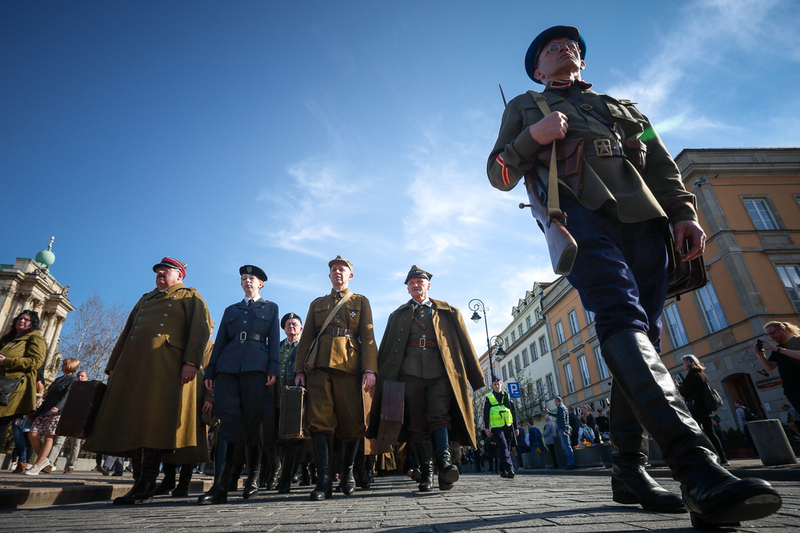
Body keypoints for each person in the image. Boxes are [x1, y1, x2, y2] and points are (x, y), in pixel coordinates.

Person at [487, 25, 780, 527]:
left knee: (644, 336)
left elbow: (660, 159)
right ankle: (698, 468)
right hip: (578, 216)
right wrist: (531, 139)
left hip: (646, 223)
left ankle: (628, 468)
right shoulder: (525, 106)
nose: (566, 50)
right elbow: (499, 173)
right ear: (538, 69)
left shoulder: (627, 109)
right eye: (552, 48)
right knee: (620, 315)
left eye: (572, 46)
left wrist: (685, 211)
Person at [83, 257, 211, 505]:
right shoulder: (145, 298)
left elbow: (200, 331)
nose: (160, 273)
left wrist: (191, 362)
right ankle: (139, 482)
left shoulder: (190, 296)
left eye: (166, 270)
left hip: (165, 368)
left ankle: (146, 483)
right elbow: (127, 331)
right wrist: (113, 365)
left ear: (180, 275)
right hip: (133, 367)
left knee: (151, 423)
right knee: (134, 422)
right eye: (158, 271)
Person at [371, 265, 484, 491]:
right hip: (408, 373)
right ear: (407, 289)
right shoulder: (398, 314)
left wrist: (475, 377)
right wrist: (378, 376)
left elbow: (465, 344)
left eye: (419, 282)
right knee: (416, 421)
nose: (415, 285)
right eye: (411, 283)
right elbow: (386, 348)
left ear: (428, 286)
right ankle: (428, 472)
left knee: (439, 416)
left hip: (441, 372)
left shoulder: (448, 311)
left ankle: (444, 464)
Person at [294, 256, 377, 500]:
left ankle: (349, 472)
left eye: (342, 270)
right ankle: (324, 480)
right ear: (329, 275)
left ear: (350, 275)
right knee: (319, 423)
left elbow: (368, 338)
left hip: (349, 368)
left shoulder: (361, 301)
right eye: (334, 270)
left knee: (352, 423)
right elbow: (307, 337)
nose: (338, 273)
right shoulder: (317, 303)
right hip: (319, 368)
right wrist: (299, 369)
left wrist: (370, 369)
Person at [198, 265, 279, 505]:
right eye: (243, 277)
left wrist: (272, 368)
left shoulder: (270, 308)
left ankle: (253, 478)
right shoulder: (230, 310)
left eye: (251, 278)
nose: (246, 280)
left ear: (261, 283)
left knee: (252, 426)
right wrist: (211, 370)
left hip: (256, 368)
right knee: (226, 425)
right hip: (228, 368)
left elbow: (273, 339)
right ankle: (219, 486)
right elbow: (221, 340)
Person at [0, 311, 47, 452]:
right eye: (20, 318)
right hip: (2, 383)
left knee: (1, 422)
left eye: (27, 320)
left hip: (11, 388)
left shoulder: (35, 339)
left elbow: (36, 362)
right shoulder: (8, 338)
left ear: (32, 324)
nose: (22, 321)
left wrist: (6, 361)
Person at [25, 357, 80, 475]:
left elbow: (67, 395)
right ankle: (44, 460)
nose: (62, 366)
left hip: (56, 411)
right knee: (33, 434)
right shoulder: (59, 379)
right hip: (45, 409)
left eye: (65, 364)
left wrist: (59, 407)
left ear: (70, 365)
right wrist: (45, 395)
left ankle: (37, 465)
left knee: (48, 437)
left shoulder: (73, 380)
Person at [274, 312, 308, 494]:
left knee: (293, 439)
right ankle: (278, 475)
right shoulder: (277, 347)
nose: (291, 327)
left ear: (301, 329)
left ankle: (287, 478)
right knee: (278, 439)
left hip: (297, 398)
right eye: (288, 324)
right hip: (278, 397)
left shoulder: (305, 346)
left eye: (295, 324)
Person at [678, 355, 728, 466]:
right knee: (711, 433)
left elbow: (685, 392)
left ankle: (704, 458)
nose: (683, 365)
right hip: (706, 409)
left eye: (684, 363)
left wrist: (678, 387)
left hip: (696, 409)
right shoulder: (702, 374)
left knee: (695, 433)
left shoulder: (691, 375)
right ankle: (723, 458)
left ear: (688, 363)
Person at [48, 370, 89, 473]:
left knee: (75, 444)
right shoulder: (71, 388)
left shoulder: (88, 392)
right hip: (66, 418)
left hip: (78, 420)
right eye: (79, 376)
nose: (80, 377)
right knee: (58, 441)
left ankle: (70, 466)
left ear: (86, 378)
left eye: (82, 376)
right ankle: (49, 463)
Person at [756, 321, 800, 413]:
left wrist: (778, 350)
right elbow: (770, 367)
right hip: (792, 391)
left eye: (773, 333)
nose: (772, 336)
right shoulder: (776, 350)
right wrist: (760, 355)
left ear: (782, 329)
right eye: (769, 334)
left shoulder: (797, 340)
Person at [483, 378, 519, 478]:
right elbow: (486, 413)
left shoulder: (506, 395)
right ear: (492, 386)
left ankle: (502, 470)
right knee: (503, 446)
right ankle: (510, 468)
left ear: (501, 384)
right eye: (494, 384)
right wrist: (486, 427)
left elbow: (513, 412)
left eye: (498, 384)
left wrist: (516, 427)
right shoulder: (489, 397)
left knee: (506, 447)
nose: (497, 386)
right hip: (496, 426)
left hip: (508, 425)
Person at [553, 397, 574, 470]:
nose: (554, 403)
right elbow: (558, 416)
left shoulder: (561, 408)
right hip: (563, 429)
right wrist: (549, 412)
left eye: (555, 401)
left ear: (557, 401)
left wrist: (564, 429)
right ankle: (569, 462)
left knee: (567, 446)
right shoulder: (563, 407)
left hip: (563, 429)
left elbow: (563, 419)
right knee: (565, 447)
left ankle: (571, 463)